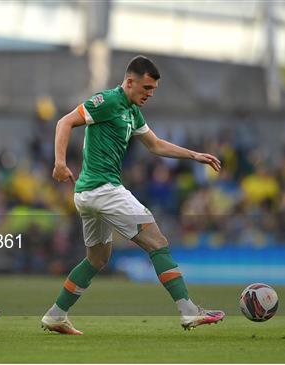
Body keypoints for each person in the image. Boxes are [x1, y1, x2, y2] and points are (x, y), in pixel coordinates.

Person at [41, 56, 225, 335]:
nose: (149, 94)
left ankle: (56, 315)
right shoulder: (108, 101)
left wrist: (193, 155)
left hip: (89, 195)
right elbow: (64, 122)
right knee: (157, 242)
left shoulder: (132, 110)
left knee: (97, 259)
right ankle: (188, 311)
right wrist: (60, 163)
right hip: (104, 190)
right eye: (146, 88)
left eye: (153, 90)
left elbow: (155, 144)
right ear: (129, 82)